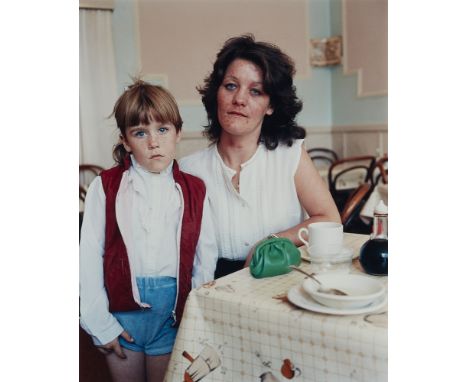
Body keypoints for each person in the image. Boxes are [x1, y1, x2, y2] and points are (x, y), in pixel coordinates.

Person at [79, 80, 218, 381]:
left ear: (178, 133)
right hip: (121, 316)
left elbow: (204, 260)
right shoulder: (105, 187)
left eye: (162, 130)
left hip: (170, 319)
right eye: (140, 133)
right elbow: (90, 256)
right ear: (126, 141)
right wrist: (101, 324)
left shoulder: (195, 190)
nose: (153, 142)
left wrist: (192, 319)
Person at [179, 34, 340, 278]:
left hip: (282, 277)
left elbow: (329, 219)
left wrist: (269, 243)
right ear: (217, 93)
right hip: (212, 285)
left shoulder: (290, 155)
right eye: (231, 86)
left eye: (255, 91)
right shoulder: (189, 169)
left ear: (271, 106)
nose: (239, 99)